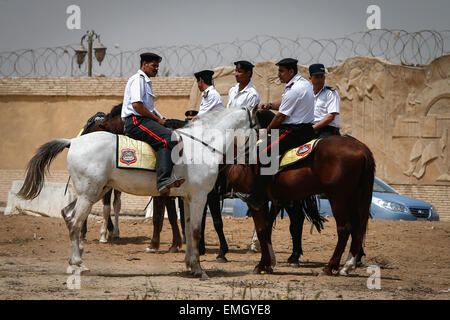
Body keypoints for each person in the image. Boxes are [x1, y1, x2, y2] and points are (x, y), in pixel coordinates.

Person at [236, 58, 315, 210]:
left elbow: (280, 117)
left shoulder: (295, 89)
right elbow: (285, 103)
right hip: (304, 129)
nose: (279, 74)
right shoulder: (302, 83)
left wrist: (265, 132)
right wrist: (270, 105)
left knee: (262, 153)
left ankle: (258, 196)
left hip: (294, 132)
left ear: (291, 71)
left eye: (281, 71)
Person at [121, 52, 184, 194]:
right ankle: (162, 181)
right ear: (144, 65)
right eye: (154, 66)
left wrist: (163, 121)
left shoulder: (146, 82)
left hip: (144, 120)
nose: (156, 69)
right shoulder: (138, 79)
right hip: (136, 121)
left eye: (158, 66)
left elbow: (150, 108)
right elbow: (137, 105)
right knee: (168, 139)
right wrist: (157, 120)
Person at [309, 63, 341, 138]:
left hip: (327, 130)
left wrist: (313, 128)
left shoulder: (331, 93)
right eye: (317, 77)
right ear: (310, 78)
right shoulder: (307, 92)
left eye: (322, 77)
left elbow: (331, 117)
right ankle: (275, 149)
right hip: (310, 128)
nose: (320, 80)